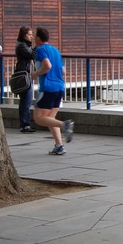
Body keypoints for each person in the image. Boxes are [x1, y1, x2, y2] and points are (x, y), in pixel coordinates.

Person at [31, 27, 73, 155]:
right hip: (60, 86)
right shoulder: (55, 50)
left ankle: (65, 125)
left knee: (38, 118)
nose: (33, 38)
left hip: (48, 87)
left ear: (38, 38)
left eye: (34, 36)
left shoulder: (40, 50)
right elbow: (63, 71)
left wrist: (36, 74)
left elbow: (47, 65)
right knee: (50, 118)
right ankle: (59, 146)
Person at [15, 26, 35, 133]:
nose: (31, 37)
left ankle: (24, 124)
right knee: (26, 100)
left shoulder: (23, 44)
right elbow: (31, 55)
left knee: (25, 100)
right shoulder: (22, 45)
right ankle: (25, 125)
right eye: (29, 34)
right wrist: (38, 47)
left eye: (32, 35)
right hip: (25, 75)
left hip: (26, 74)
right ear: (24, 35)